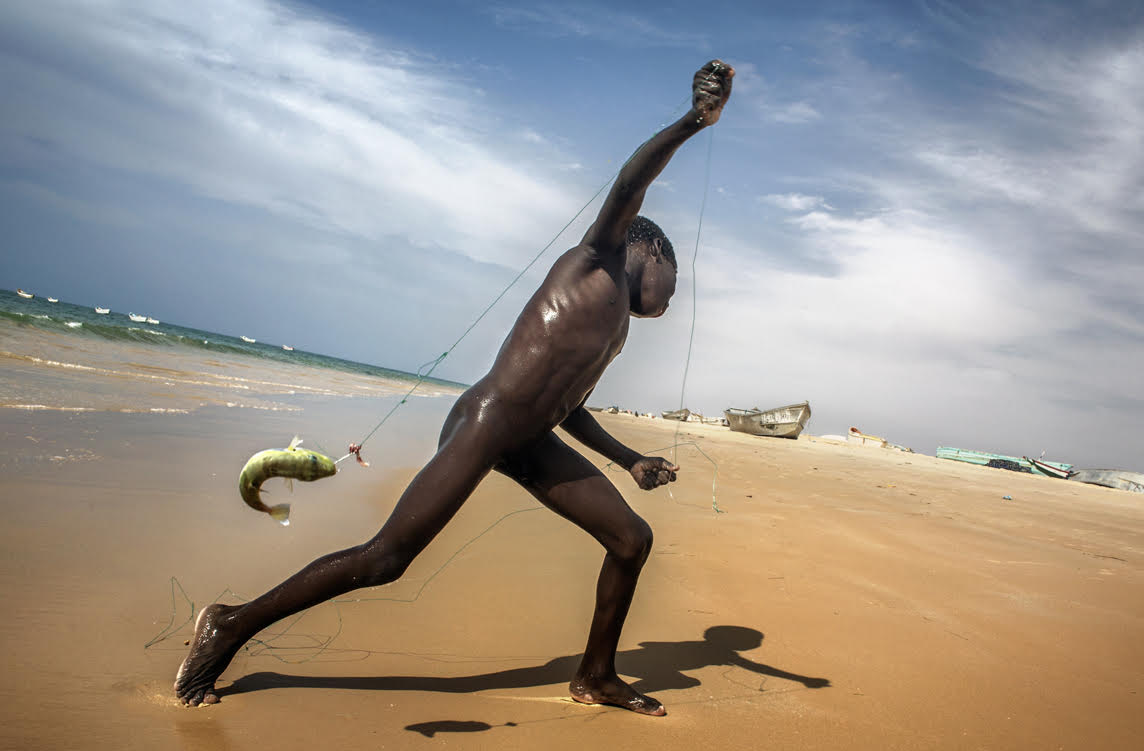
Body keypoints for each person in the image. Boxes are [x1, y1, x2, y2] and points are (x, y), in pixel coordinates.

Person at [175, 59, 735, 716]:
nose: (672, 302)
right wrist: (694, 122)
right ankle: (228, 624)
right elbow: (629, 181)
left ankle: (595, 675)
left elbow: (568, 410)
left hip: (529, 439)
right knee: (385, 559)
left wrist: (629, 459)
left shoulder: (615, 328)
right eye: (676, 286)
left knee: (631, 540)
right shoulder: (599, 259)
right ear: (654, 254)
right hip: (488, 420)